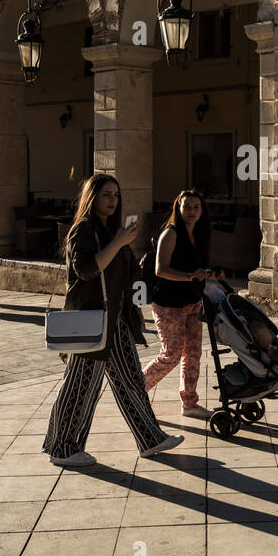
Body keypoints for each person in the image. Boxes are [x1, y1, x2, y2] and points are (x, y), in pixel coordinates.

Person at [43, 173, 184, 468]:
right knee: (81, 385)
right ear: (92, 197)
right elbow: (86, 269)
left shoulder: (110, 230)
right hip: (91, 319)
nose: (112, 200)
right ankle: (63, 447)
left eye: (116, 195)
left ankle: (150, 438)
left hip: (116, 320)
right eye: (107, 194)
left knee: (131, 380)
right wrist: (119, 241)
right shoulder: (84, 230)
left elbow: (128, 273)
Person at [142, 190, 213, 419]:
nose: (192, 211)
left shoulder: (200, 235)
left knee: (192, 355)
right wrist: (190, 276)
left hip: (192, 303)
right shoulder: (171, 234)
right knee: (170, 355)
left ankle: (189, 403)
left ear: (201, 211)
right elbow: (160, 269)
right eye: (187, 206)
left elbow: (199, 268)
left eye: (196, 207)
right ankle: (136, 390)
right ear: (178, 208)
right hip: (168, 304)